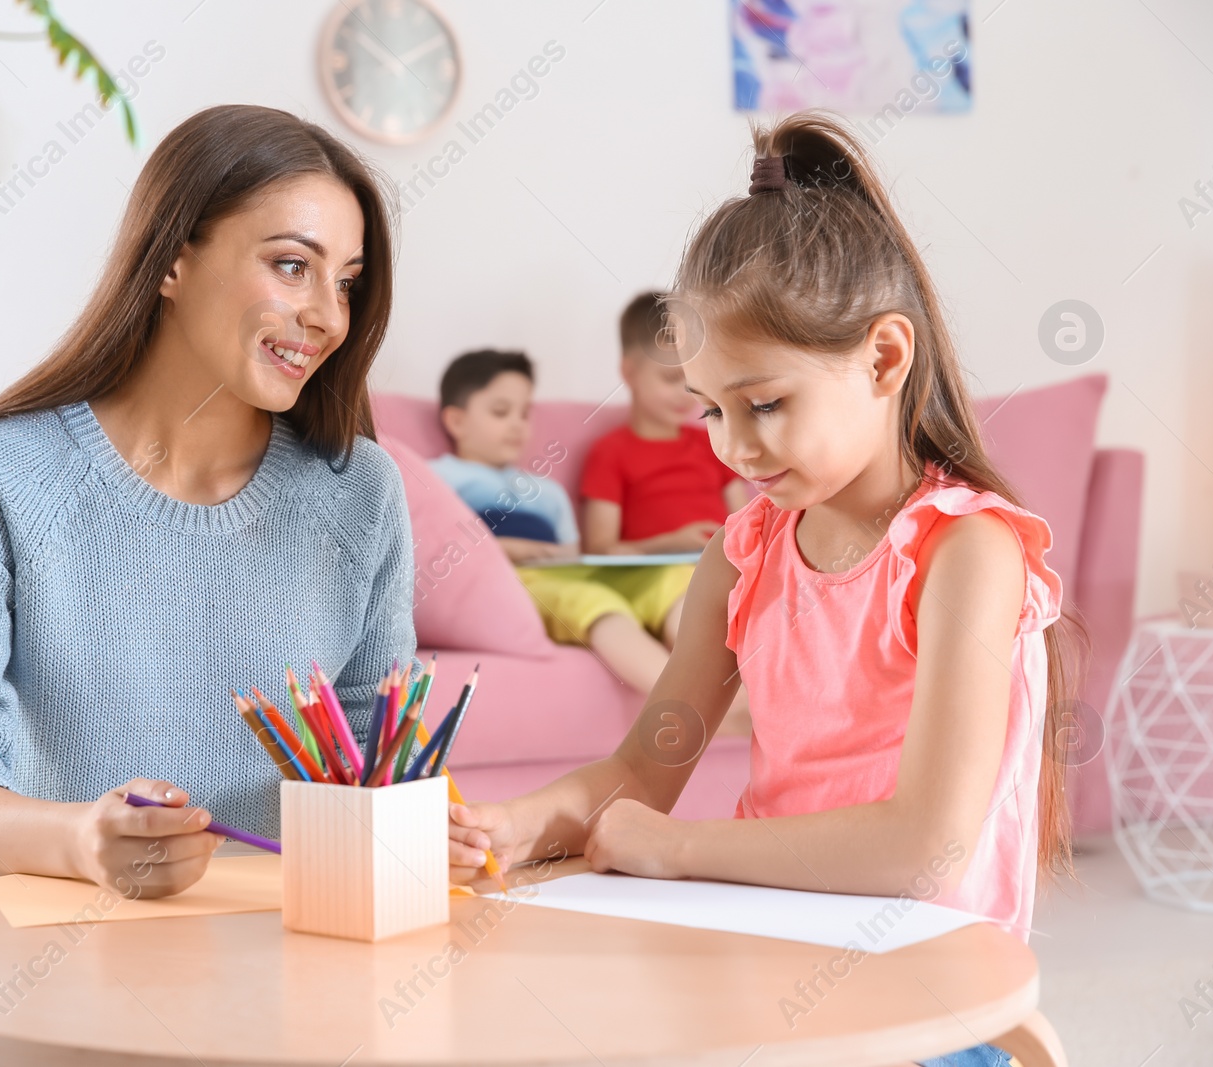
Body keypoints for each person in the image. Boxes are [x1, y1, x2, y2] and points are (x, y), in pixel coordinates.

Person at [447, 111, 1082, 1067]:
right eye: (710, 409)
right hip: (766, 963)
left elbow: (925, 849)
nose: (734, 448)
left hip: (923, 1003)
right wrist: (516, 822)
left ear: (883, 358)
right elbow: (638, 773)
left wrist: (677, 847)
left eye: (767, 404)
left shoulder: (967, 552)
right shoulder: (742, 557)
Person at [0, 105, 414, 906]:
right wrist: (80, 842)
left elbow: (380, 754)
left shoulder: (361, 490)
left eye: (346, 283)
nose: (329, 316)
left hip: (283, 957)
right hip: (51, 957)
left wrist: (415, 818)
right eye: (293, 266)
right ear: (172, 260)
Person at [429, 350, 690, 693]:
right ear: (456, 421)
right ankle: (683, 702)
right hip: (520, 579)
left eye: (524, 414)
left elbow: (571, 553)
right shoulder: (437, 478)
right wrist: (508, 549)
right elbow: (437, 550)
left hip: (564, 570)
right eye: (500, 412)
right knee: (589, 600)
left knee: (677, 579)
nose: (517, 424)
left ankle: (727, 687)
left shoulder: (548, 491)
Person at [580, 290, 748, 557]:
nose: (685, 394)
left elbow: (745, 527)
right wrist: (670, 544)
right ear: (630, 372)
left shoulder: (713, 442)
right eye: (670, 379)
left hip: (720, 572)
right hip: (657, 579)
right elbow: (600, 550)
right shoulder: (610, 453)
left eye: (692, 380)